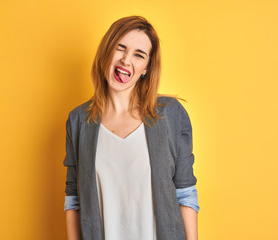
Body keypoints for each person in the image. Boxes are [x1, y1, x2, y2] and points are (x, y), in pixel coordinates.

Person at [63, 15, 200, 240]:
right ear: (106, 52)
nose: (126, 60)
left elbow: (185, 193)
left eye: (139, 55)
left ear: (146, 67)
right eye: (120, 48)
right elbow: (73, 198)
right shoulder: (79, 120)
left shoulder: (170, 114)